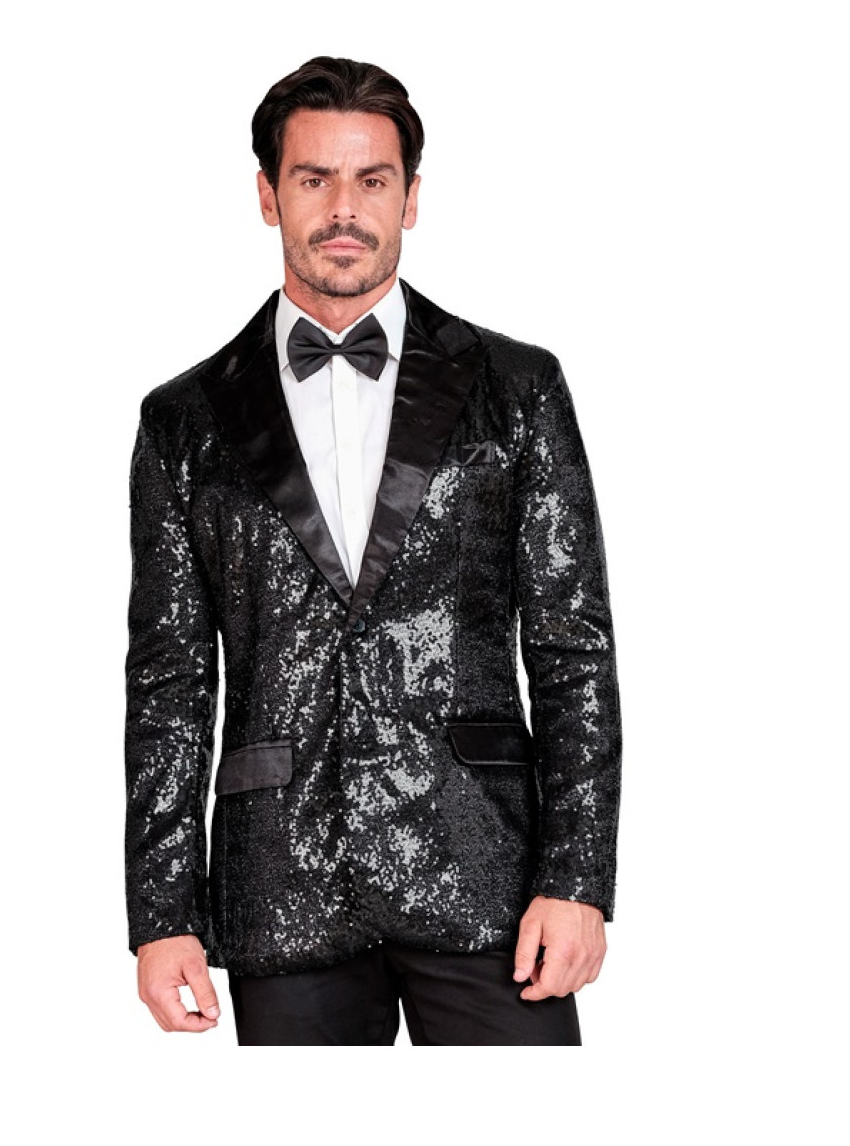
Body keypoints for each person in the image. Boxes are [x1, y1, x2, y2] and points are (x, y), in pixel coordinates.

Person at [124, 56, 623, 1046]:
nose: (344, 208)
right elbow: (168, 681)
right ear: (268, 195)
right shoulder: (183, 420)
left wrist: (577, 879)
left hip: (487, 876)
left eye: (372, 180)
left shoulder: (517, 388)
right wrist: (161, 911)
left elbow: (574, 649)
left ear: (411, 198)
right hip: (284, 879)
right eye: (314, 178)